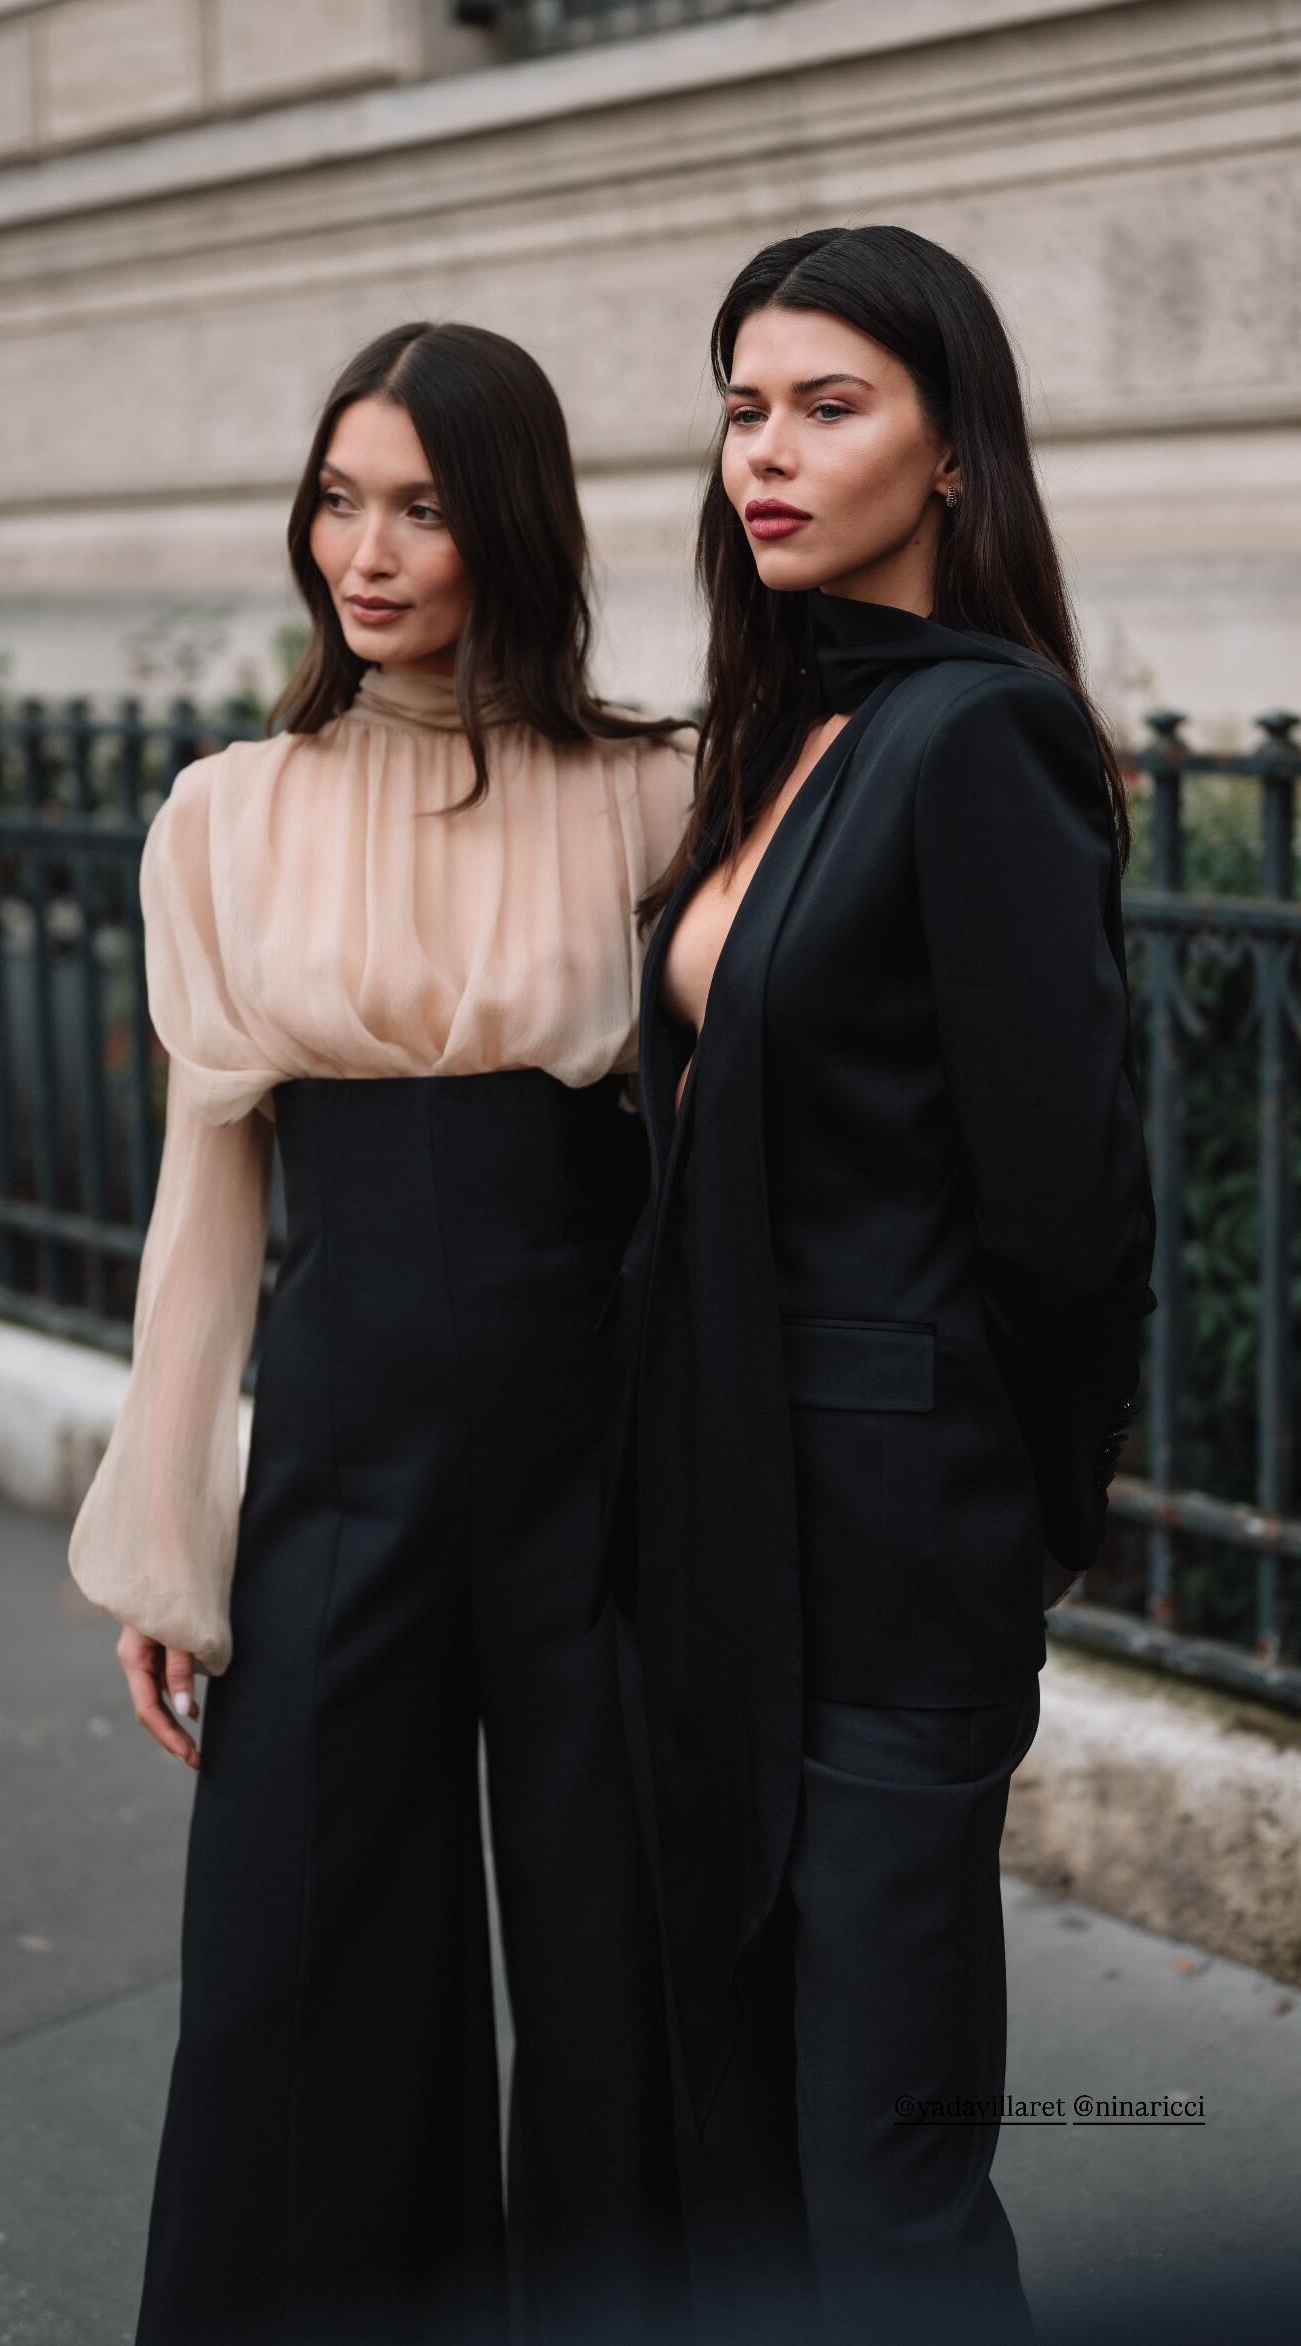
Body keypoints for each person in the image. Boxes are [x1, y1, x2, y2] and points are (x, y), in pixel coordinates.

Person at [69, 319, 694, 2346]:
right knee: (293, 1972)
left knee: (623, 1980)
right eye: (339, 501)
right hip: (340, 1457)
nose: (369, 550)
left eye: (422, 507)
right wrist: (171, 1544)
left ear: (512, 524)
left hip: (601, 1462)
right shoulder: (225, 817)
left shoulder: (654, 796)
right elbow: (205, 1204)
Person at [595, 225, 1157, 2345]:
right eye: (743, 407)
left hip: (896, 1554)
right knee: (742, 2134)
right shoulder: (786, 727)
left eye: (829, 406)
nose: (766, 449)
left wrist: (1037, 1504)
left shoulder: (984, 736)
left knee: (885, 2176)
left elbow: (1067, 1208)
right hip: (718, 1531)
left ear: (952, 451)